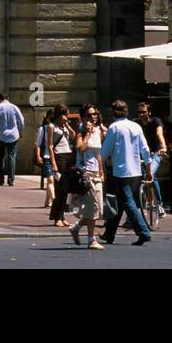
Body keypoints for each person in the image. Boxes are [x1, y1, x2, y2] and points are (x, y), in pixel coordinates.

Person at [99, 100, 152, 246]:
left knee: (128, 203)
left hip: (121, 171)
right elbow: (145, 149)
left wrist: (98, 163)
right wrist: (148, 168)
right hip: (135, 170)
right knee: (121, 202)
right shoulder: (136, 126)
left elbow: (105, 151)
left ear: (113, 112)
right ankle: (109, 234)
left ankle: (143, 231)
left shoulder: (114, 127)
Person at [70, 104, 105, 250]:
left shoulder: (98, 130)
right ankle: (92, 239)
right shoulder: (81, 130)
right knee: (94, 207)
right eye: (89, 115)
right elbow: (80, 148)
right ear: (83, 117)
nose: (93, 117)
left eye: (95, 114)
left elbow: (98, 153)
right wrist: (88, 134)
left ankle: (77, 227)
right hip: (85, 173)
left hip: (96, 172)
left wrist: (101, 170)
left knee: (99, 209)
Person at [136, 102, 168, 218]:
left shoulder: (156, 121)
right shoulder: (137, 123)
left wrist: (163, 147)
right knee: (146, 177)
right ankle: (143, 205)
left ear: (149, 112)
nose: (141, 114)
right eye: (139, 112)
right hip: (144, 154)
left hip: (156, 152)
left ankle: (159, 205)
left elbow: (159, 133)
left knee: (151, 174)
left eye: (144, 112)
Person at [47, 104, 76, 228]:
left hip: (68, 156)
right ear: (59, 115)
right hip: (59, 157)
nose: (66, 117)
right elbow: (50, 145)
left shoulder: (64, 126)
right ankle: (56, 217)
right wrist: (53, 162)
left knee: (66, 189)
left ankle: (62, 215)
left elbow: (73, 136)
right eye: (64, 114)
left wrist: (67, 125)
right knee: (60, 188)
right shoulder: (51, 126)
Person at [0, 93, 24, 185]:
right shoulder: (14, 107)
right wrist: (20, 132)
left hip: (1, 136)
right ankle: (11, 180)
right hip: (13, 135)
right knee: (12, 157)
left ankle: (1, 180)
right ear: (8, 98)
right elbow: (21, 121)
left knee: (0, 158)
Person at [34, 109, 54, 208]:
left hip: (58, 157)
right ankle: (55, 201)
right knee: (50, 180)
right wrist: (38, 156)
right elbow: (37, 144)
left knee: (53, 180)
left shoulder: (60, 128)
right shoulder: (43, 129)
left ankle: (47, 201)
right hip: (46, 156)